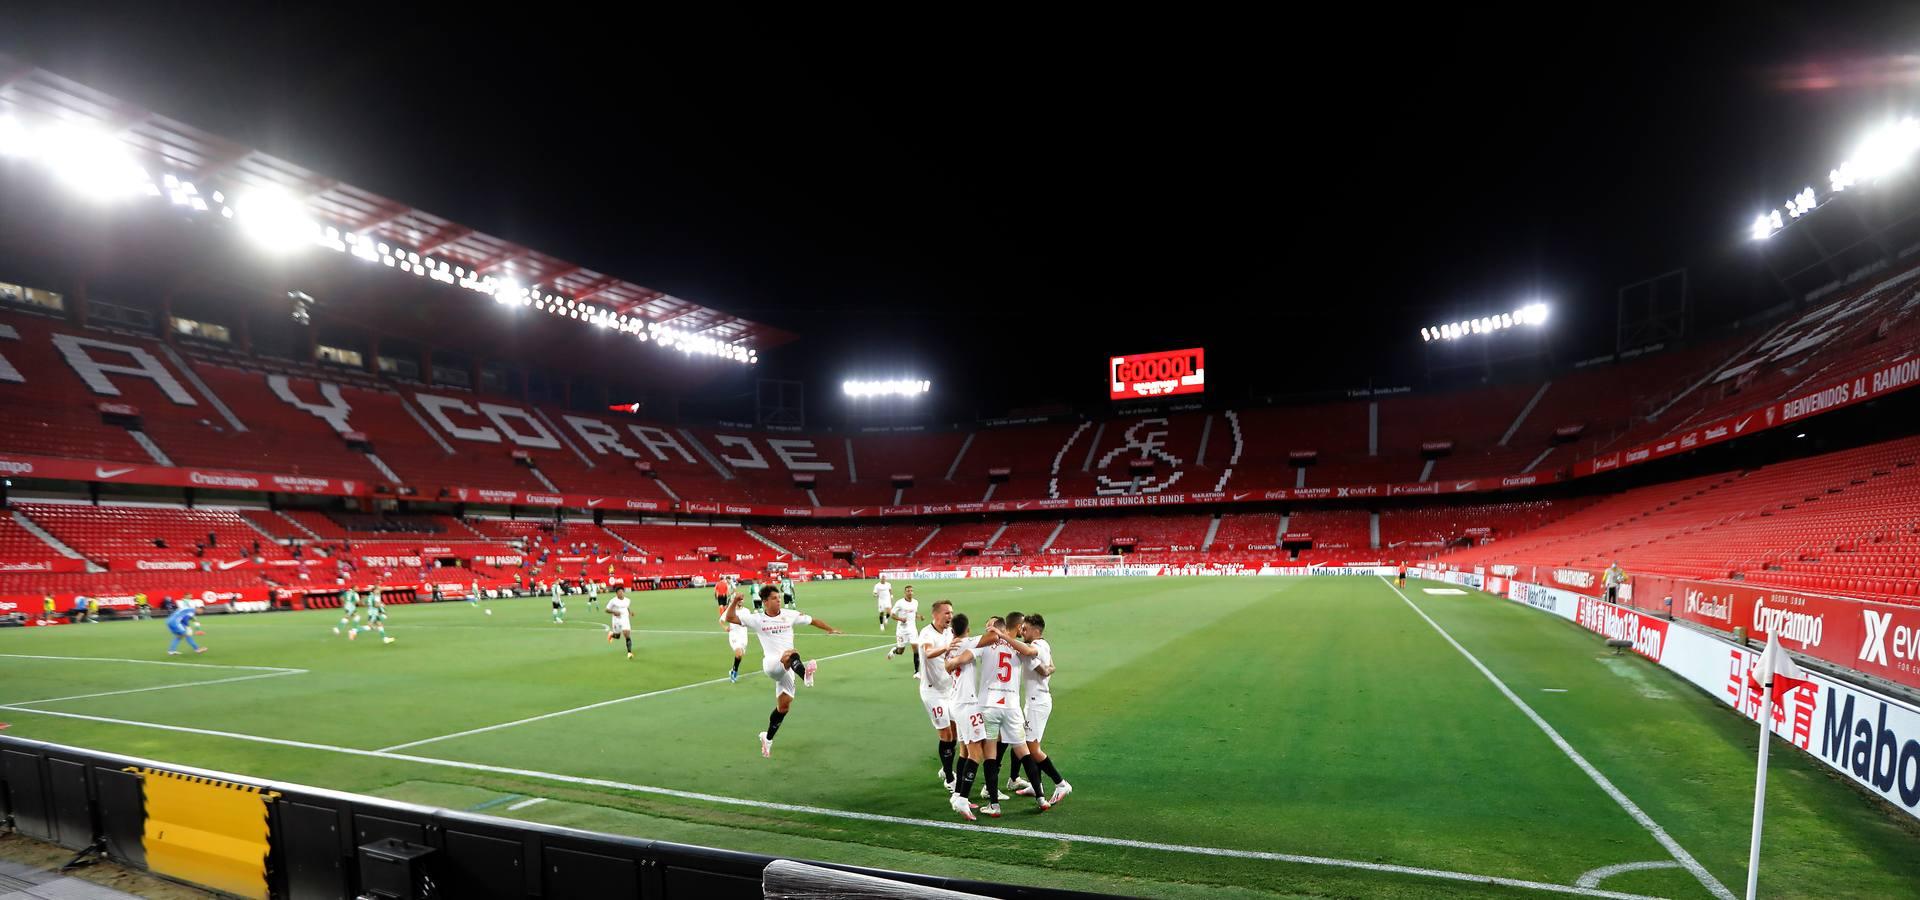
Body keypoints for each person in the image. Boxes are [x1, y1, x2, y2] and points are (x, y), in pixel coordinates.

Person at [723, 584, 843, 758]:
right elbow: (730, 617)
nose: (778, 600)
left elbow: (812, 620)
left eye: (779, 598)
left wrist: (830, 629)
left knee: (784, 707)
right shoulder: (756, 619)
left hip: (788, 669)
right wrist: (734, 601)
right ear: (764, 602)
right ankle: (806, 676)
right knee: (791, 653)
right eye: (774, 598)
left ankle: (768, 738)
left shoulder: (789, 615)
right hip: (772, 664)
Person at [1017, 613, 1070, 807]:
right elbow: (1050, 667)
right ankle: (1035, 784)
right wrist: (1050, 669)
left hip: (1037, 703)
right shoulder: (1044, 644)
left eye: (1026, 628)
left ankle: (1061, 783)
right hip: (1037, 700)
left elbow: (1044, 670)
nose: (1022, 630)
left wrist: (1047, 670)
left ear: (1036, 631)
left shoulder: (1033, 649)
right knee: (1028, 743)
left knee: (1032, 748)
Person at [942, 613, 988, 819]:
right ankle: (962, 800)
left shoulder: (950, 647)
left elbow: (947, 666)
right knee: (977, 753)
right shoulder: (967, 643)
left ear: (952, 630)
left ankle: (958, 794)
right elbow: (992, 639)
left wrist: (954, 662)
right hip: (967, 704)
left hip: (955, 702)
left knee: (964, 751)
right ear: (967, 629)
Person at [916, 600, 959, 791]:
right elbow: (929, 652)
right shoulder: (927, 633)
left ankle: (945, 767)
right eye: (946, 613)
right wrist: (947, 647)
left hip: (949, 690)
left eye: (951, 612)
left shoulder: (949, 632)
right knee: (946, 734)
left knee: (955, 731)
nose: (950, 616)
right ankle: (949, 778)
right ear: (935, 615)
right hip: (933, 692)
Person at [884, 584, 921, 676]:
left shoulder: (915, 602)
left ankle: (916, 671)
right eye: (908, 591)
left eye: (911, 591)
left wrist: (919, 616)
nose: (910, 592)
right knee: (901, 651)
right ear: (905, 592)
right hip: (902, 629)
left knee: (916, 649)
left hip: (912, 629)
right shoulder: (900, 603)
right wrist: (900, 619)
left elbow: (914, 613)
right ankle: (894, 650)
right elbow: (892, 614)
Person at [724, 589, 750, 683]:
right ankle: (734, 672)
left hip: (743, 636)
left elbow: (750, 622)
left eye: (741, 599)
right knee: (738, 653)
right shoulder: (731, 611)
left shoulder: (747, 611)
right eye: (738, 599)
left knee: (739, 656)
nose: (740, 601)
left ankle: (733, 669)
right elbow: (721, 620)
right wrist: (725, 627)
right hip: (734, 636)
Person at [605, 587, 634, 659]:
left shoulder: (627, 600)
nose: (621, 593)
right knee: (617, 636)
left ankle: (629, 653)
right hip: (616, 620)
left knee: (627, 634)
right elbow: (606, 610)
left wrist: (630, 613)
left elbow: (626, 607)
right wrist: (614, 612)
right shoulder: (613, 601)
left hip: (625, 619)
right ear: (617, 593)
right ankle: (611, 634)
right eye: (619, 592)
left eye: (622, 592)